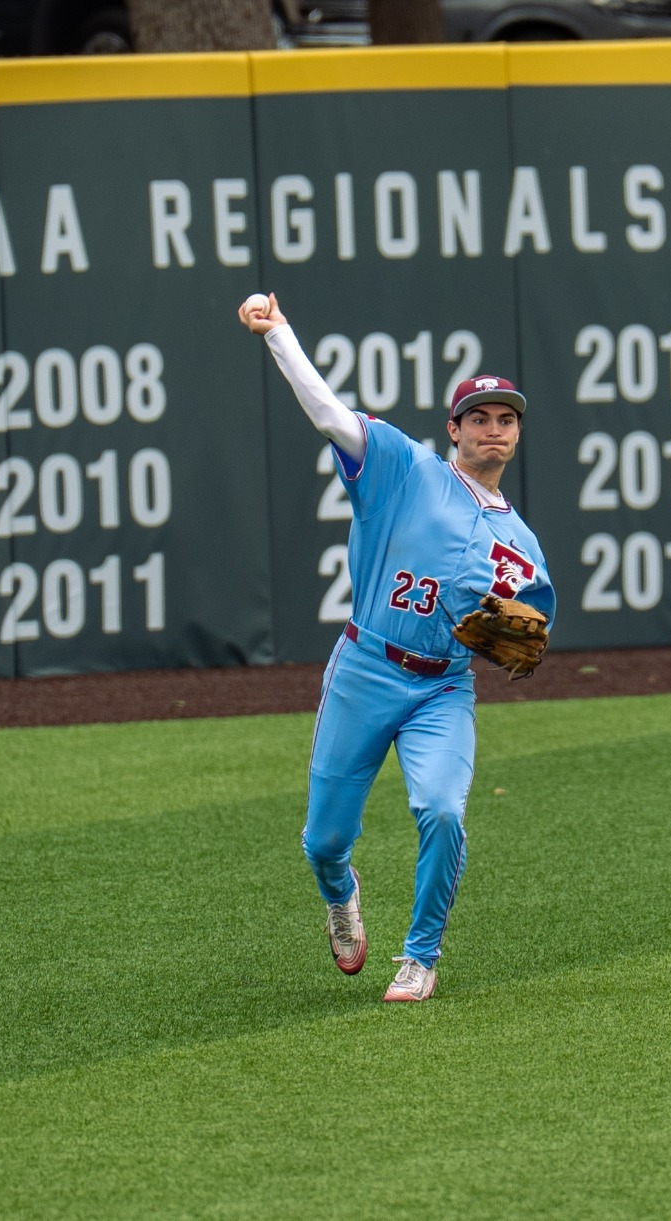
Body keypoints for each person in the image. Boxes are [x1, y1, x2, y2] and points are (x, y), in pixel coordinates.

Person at [238, 292, 555, 1003]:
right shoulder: (403, 468)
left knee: (442, 808)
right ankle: (340, 891)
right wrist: (279, 331)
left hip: (442, 687)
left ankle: (420, 955)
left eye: (507, 419)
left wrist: (512, 642)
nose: (494, 429)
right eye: (481, 417)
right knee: (322, 841)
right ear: (455, 428)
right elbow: (327, 412)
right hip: (365, 670)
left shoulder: (523, 545)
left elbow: (528, 640)